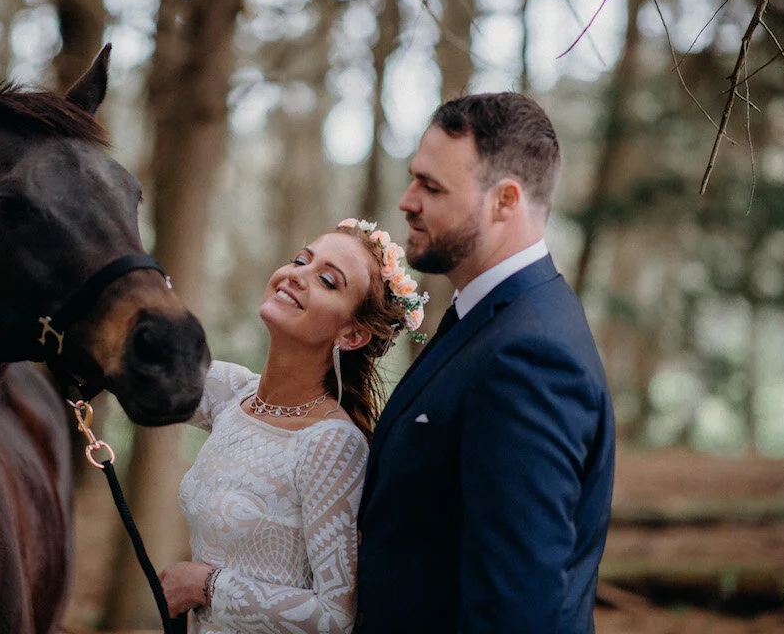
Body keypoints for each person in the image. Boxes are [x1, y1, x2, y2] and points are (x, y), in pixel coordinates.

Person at [356, 92, 616, 633]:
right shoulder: (489, 319)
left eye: (432, 187)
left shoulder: (531, 357)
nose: (406, 201)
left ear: (505, 201)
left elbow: (516, 607)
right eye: (413, 179)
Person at [160, 220, 429, 633]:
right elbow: (143, 367)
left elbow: (335, 617)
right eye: (301, 260)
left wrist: (207, 586)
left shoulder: (332, 445)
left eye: (326, 280)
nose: (298, 275)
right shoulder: (234, 394)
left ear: (352, 334)